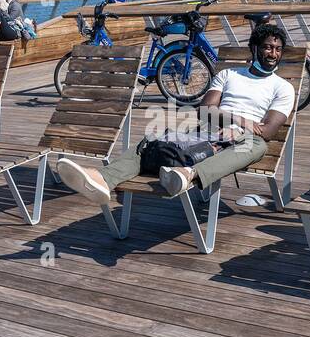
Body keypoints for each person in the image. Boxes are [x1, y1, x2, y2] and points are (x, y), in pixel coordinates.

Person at [56, 22, 296, 202]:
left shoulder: (282, 88)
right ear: (254, 48)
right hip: (207, 129)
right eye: (267, 47)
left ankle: (188, 174)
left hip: (243, 139)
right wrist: (239, 119)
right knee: (152, 141)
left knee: (256, 146)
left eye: (277, 49)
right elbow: (204, 110)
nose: (272, 54)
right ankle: (101, 179)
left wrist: (234, 124)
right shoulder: (228, 75)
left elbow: (267, 131)